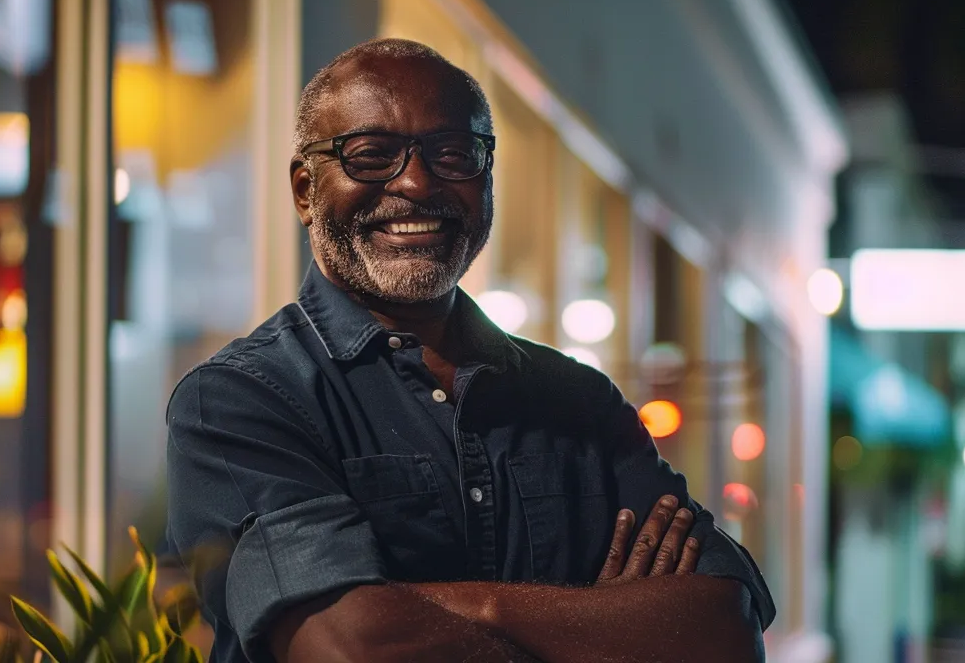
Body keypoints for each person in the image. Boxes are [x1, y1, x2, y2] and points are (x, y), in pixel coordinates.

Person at [166, 38, 773, 663]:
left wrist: (471, 609)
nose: (416, 181)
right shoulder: (240, 401)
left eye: (453, 153)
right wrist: (601, 624)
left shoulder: (579, 402)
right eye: (371, 155)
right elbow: (352, 650)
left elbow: (725, 628)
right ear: (304, 191)